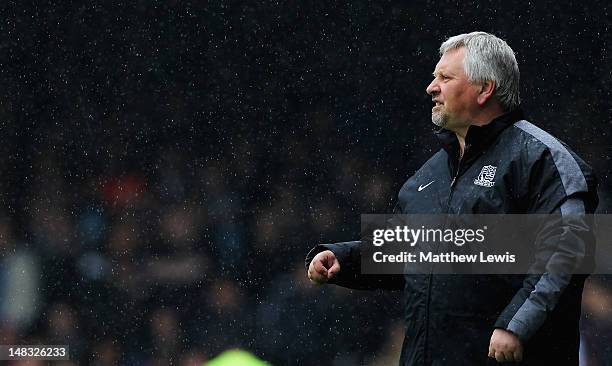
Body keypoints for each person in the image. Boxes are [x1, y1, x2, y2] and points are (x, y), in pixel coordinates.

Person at [305, 32, 598, 365]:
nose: (431, 87)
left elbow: (564, 252)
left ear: (485, 89)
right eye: (435, 77)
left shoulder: (543, 160)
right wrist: (346, 259)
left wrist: (516, 325)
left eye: (445, 77)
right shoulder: (428, 176)